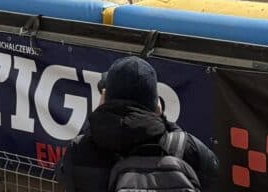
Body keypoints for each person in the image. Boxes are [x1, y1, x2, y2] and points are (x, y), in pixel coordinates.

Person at [57, 56, 218, 192]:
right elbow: (213, 178)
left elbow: (63, 176)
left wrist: (98, 116)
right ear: (155, 104)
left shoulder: (80, 151)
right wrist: (164, 120)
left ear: (106, 100)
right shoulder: (187, 149)